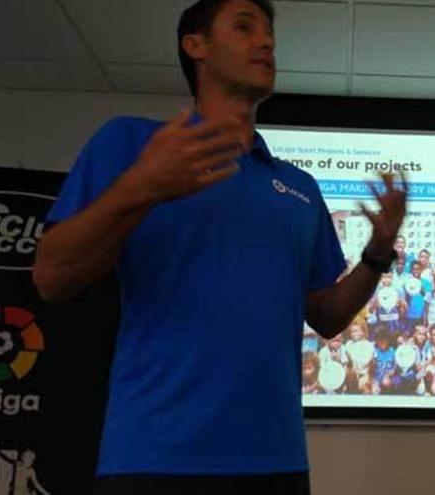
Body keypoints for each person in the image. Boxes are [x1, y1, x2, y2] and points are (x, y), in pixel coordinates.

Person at [32, 2, 408, 492]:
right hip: (154, 456)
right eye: (245, 27)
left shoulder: (299, 187)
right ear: (196, 45)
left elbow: (327, 315)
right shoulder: (132, 143)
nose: (267, 42)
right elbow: (51, 277)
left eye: (270, 32)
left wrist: (378, 253)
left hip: (276, 459)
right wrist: (142, 186)